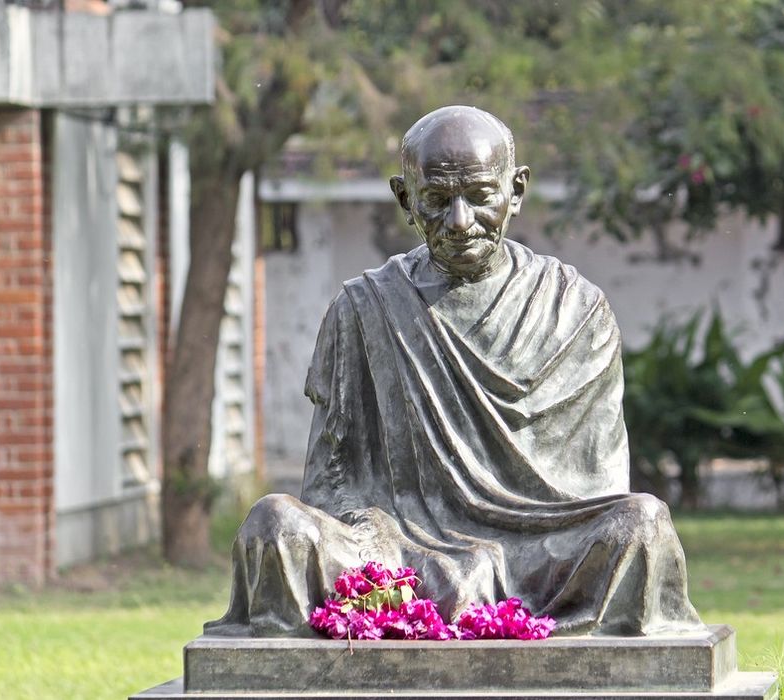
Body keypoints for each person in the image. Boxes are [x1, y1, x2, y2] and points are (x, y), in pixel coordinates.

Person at [206, 105, 703, 637]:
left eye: (480, 197)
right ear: (405, 199)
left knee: (641, 526)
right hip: (397, 550)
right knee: (274, 526)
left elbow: (596, 484)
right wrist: (380, 539)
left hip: (541, 555)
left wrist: (489, 559)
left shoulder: (574, 310)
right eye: (438, 201)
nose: (460, 222)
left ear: (516, 189)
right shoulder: (364, 308)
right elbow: (330, 480)